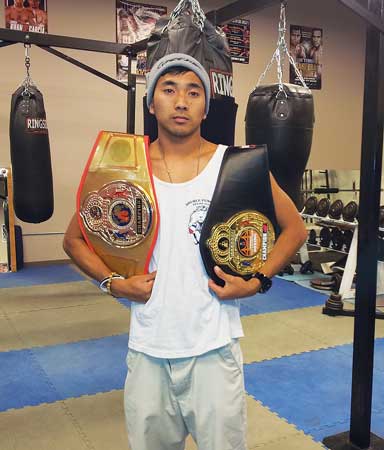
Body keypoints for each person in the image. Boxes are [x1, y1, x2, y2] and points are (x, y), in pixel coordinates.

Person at [63, 53, 308, 450]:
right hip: (148, 350)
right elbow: (73, 239)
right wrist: (113, 283)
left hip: (214, 349)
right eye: (169, 90)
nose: (181, 102)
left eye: (193, 92)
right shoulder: (125, 168)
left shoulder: (237, 166)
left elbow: (295, 229)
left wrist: (258, 281)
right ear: (151, 102)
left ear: (206, 106)